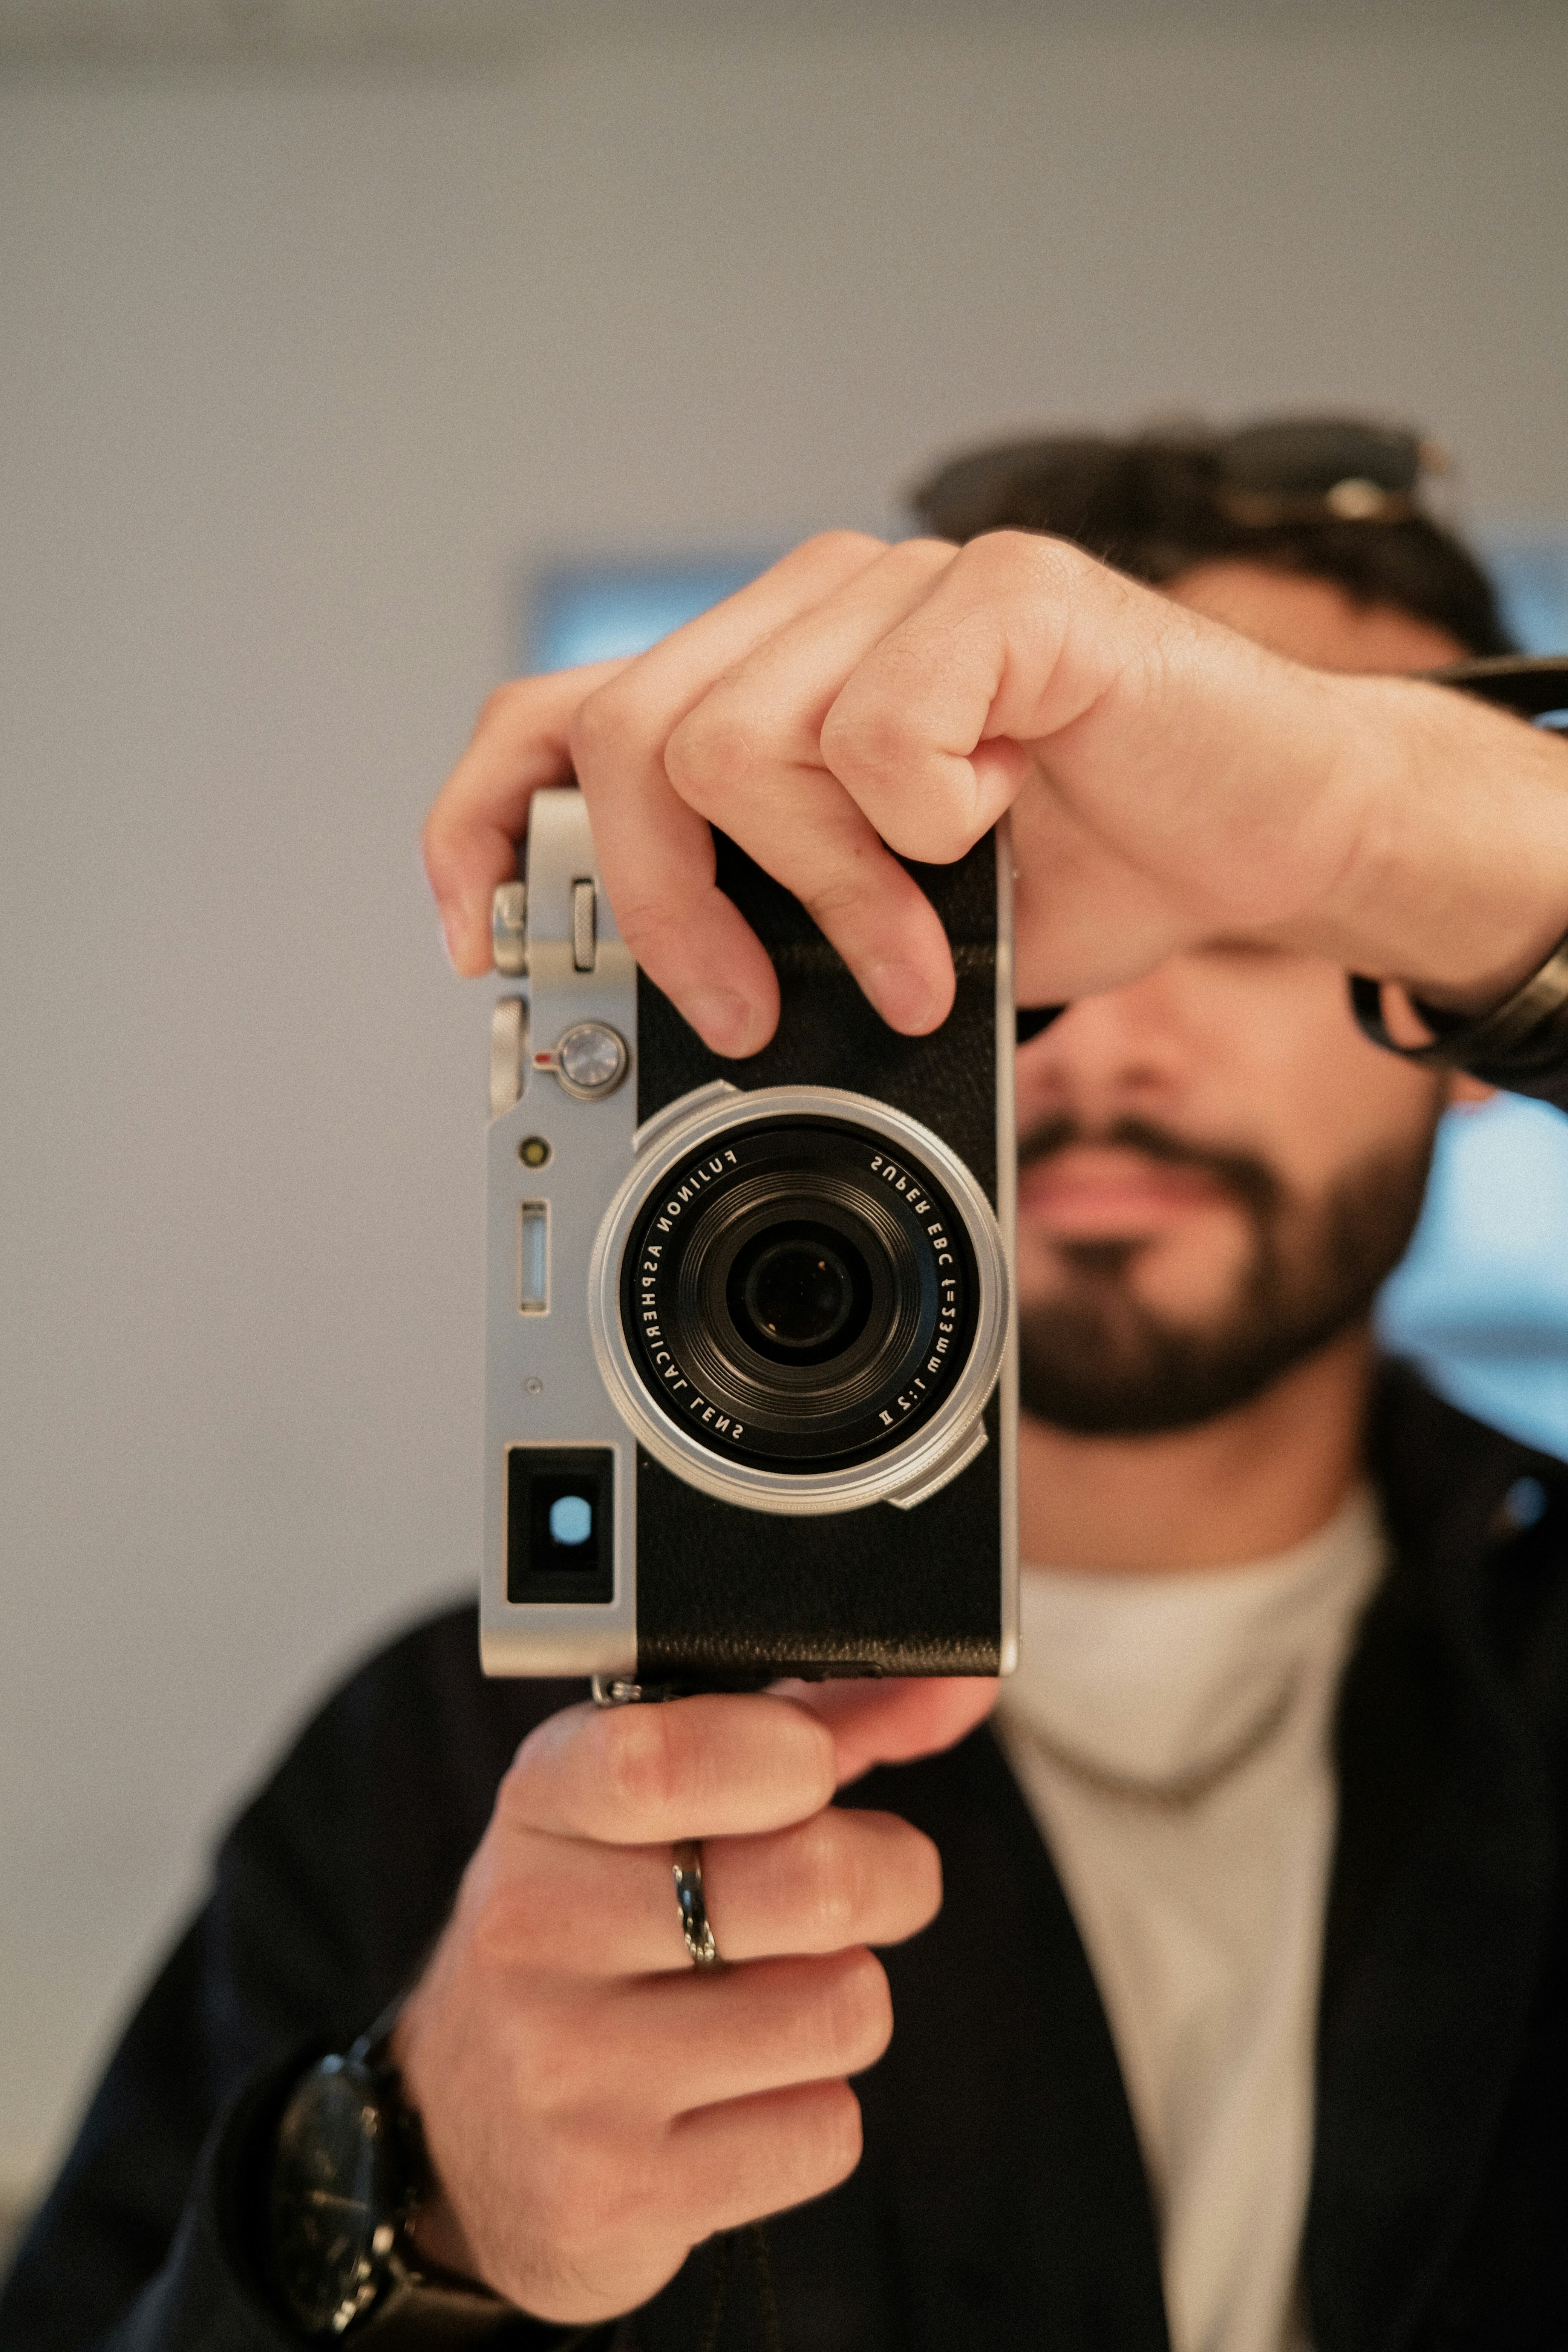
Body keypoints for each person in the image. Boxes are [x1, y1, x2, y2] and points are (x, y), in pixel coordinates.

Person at [5, 420, 1568, 2352]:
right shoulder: (455, 1770)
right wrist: (412, 2219)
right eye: (984, 917)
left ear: (1458, 1008)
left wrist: (1396, 819)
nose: (1106, 1036)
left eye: (1242, 914)